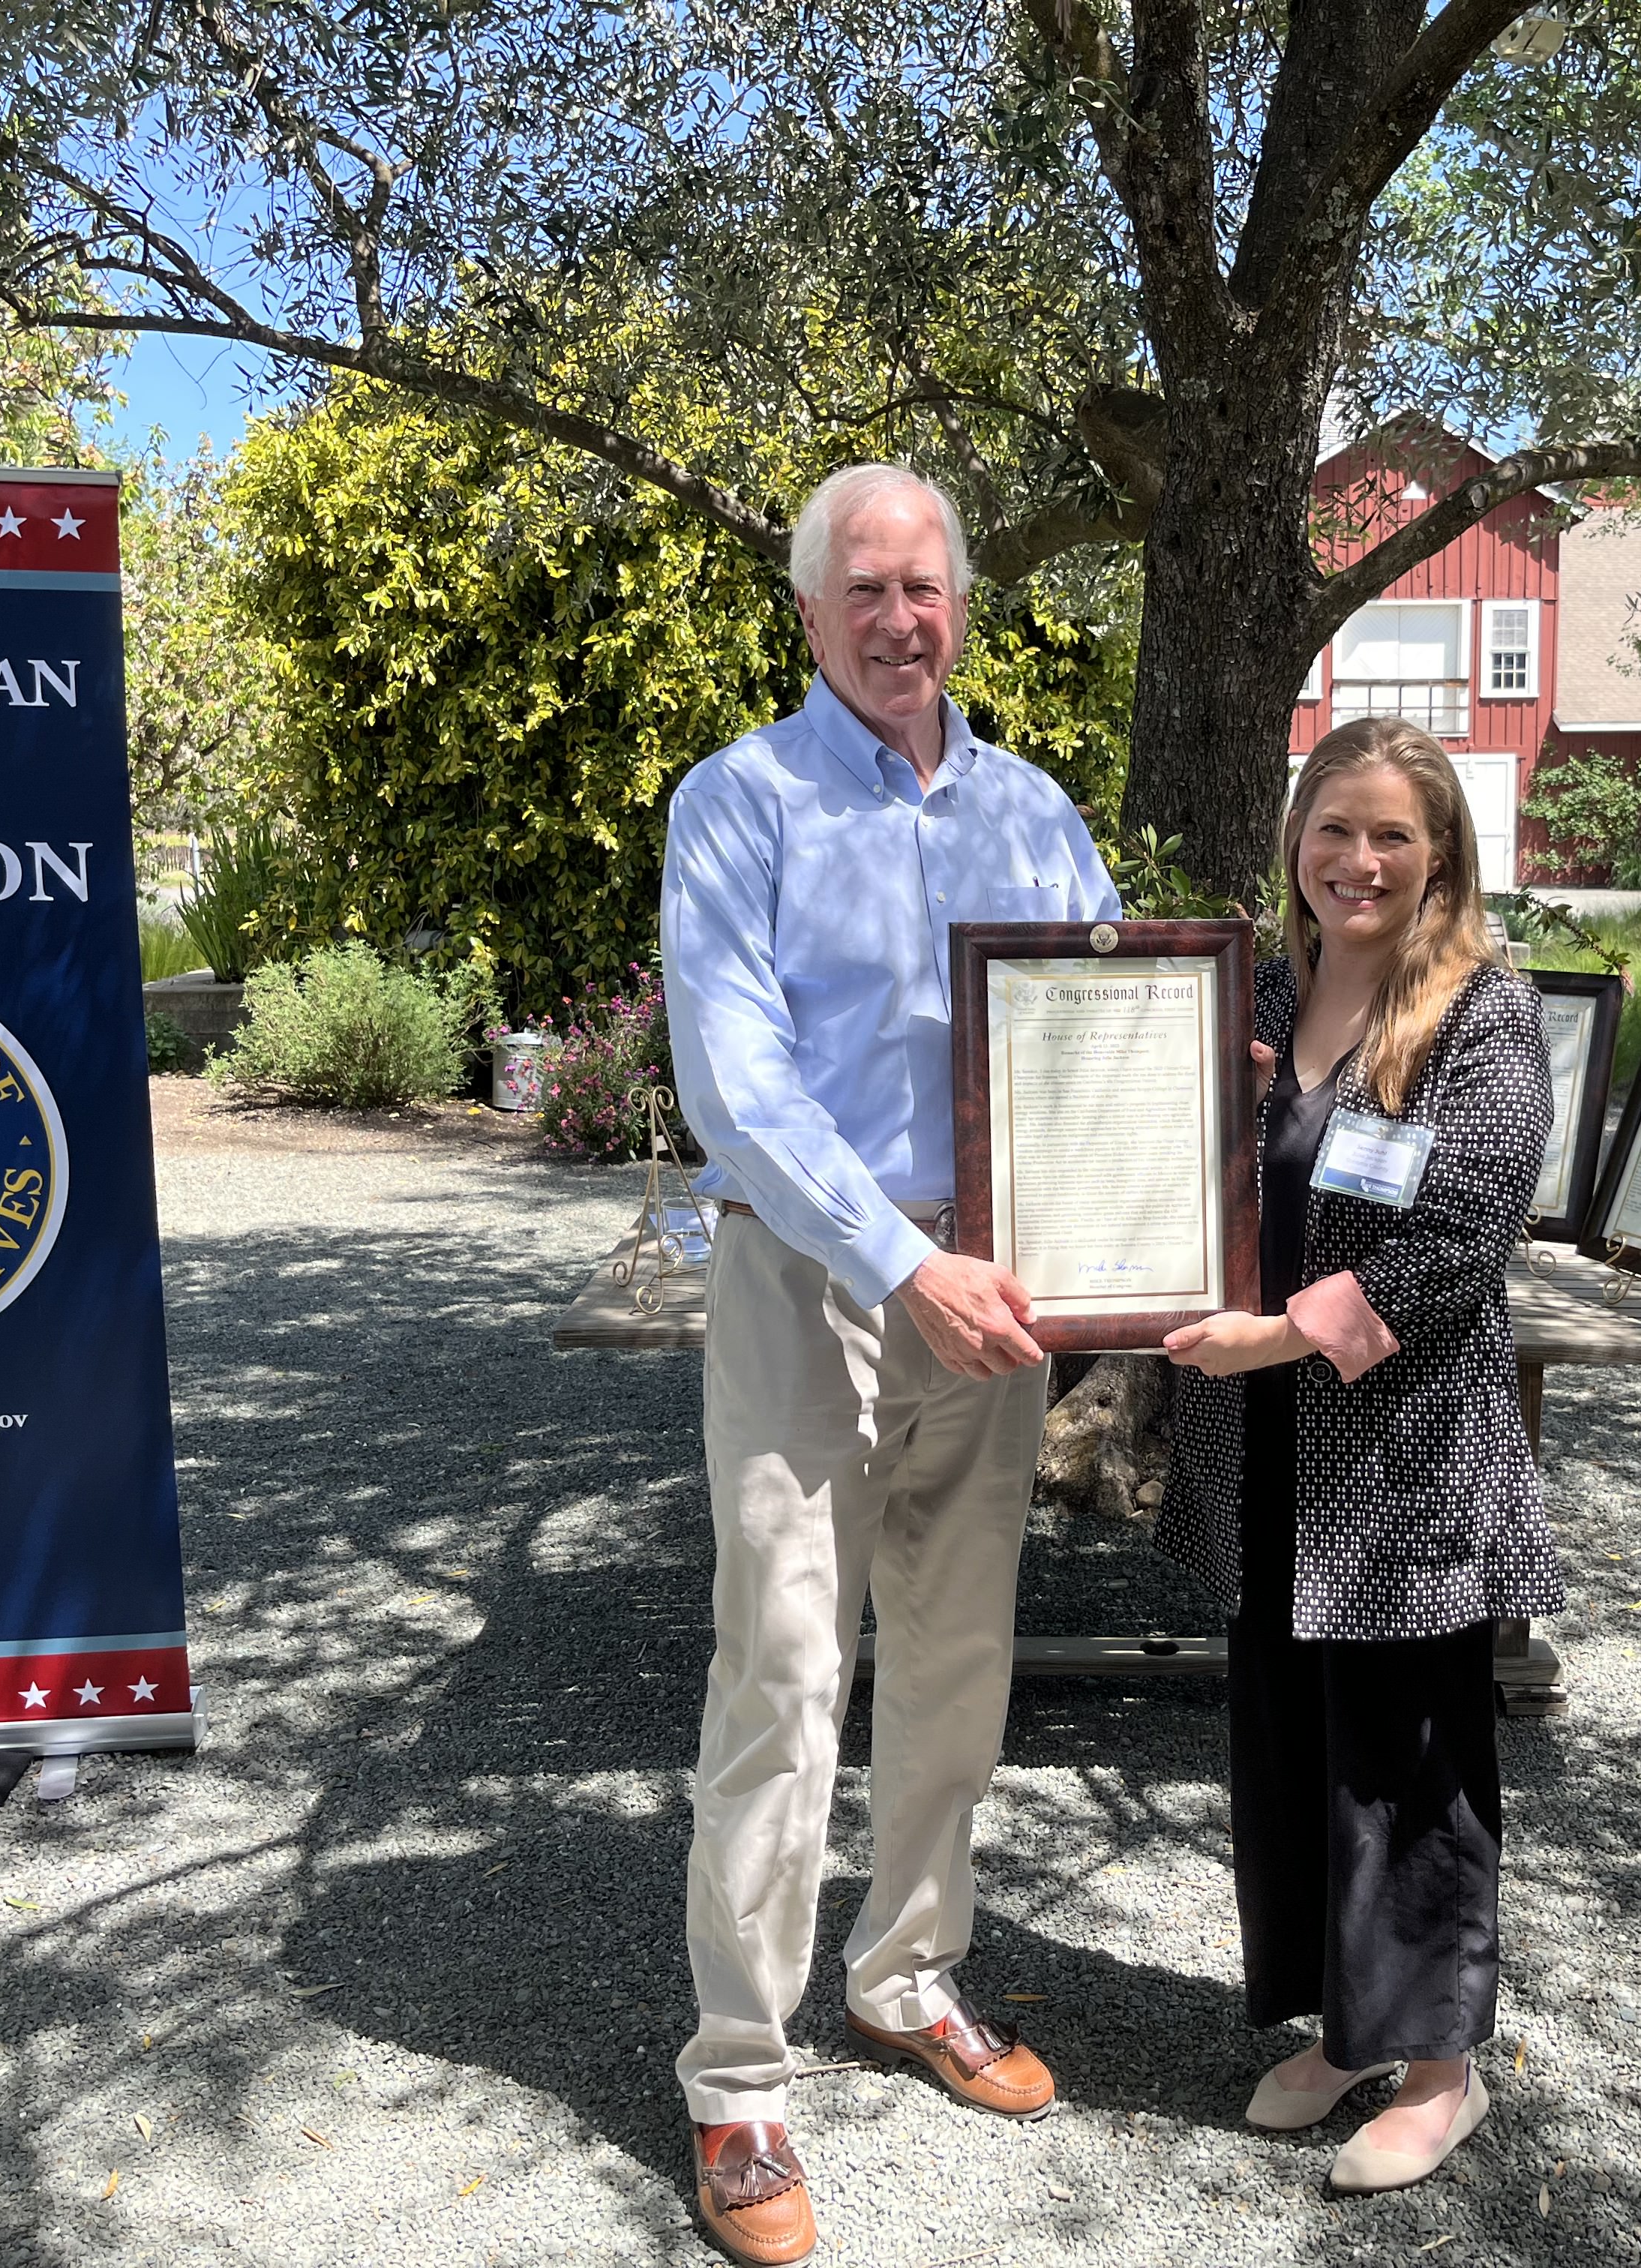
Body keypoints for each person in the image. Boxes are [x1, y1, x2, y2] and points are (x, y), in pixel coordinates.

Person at [660, 463, 1118, 2264]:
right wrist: (904, 1261)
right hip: (813, 1281)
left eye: (927, 589)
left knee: (957, 1659)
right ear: (809, 613)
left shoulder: (1030, 809)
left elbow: (1097, 1015)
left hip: (986, 1291)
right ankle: (739, 2082)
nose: (902, 620)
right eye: (867, 590)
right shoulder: (740, 803)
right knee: (781, 1677)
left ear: (959, 606)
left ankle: (908, 1973)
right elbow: (736, 1087)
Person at [1159, 716, 1559, 2195]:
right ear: (1297, 844)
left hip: (1401, 1465)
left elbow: (1464, 1228)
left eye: (1392, 833)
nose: (1359, 860)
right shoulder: (1264, 985)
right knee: (1292, 1743)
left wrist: (1285, 1334)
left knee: (1408, 1756)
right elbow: (1186, 1157)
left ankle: (1440, 2067)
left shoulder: (1480, 1009)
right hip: (1266, 1462)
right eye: (1334, 830)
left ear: (1441, 851)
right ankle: (1346, 2030)